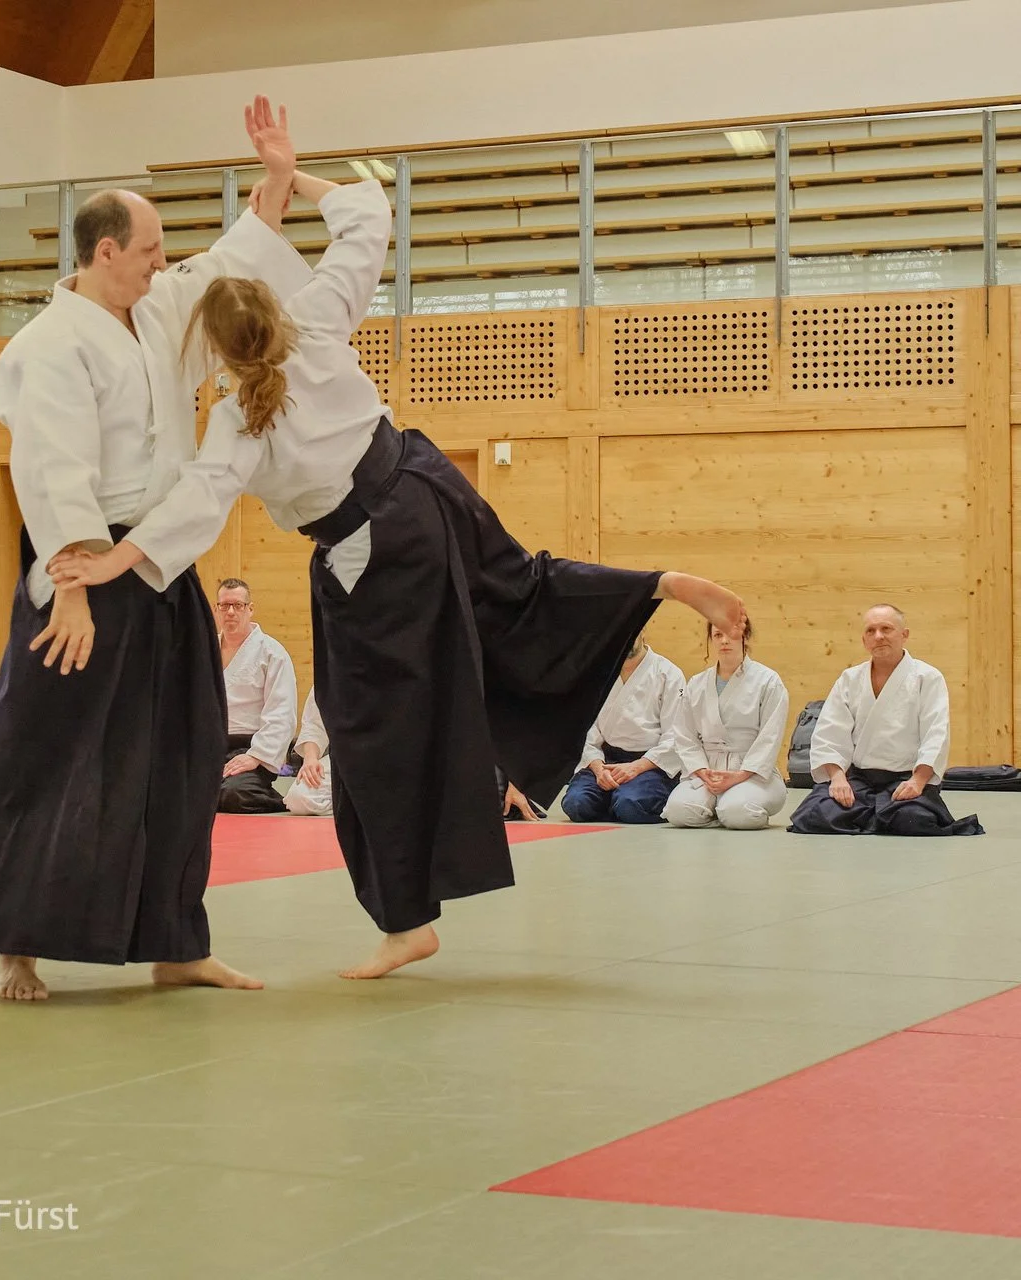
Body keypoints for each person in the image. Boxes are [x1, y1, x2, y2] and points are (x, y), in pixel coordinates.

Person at [49, 159, 746, 980]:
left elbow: (197, 507)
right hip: (429, 482)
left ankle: (407, 918)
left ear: (218, 358)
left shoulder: (240, 418)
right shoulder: (315, 319)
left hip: (370, 558)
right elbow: (366, 222)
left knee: (370, 731)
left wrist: (119, 557)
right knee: (522, 589)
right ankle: (651, 585)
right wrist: (291, 176)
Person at [0, 97, 315, 1001]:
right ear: (105, 251)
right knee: (49, 747)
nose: (166, 258)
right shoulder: (50, 347)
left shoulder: (160, 308)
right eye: (152, 246)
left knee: (185, 745)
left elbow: (233, 262)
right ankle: (19, 944)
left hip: (159, 563)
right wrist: (73, 591)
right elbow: (50, 474)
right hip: (82, 563)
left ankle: (176, 940)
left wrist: (277, 178)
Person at [788, 604, 983, 836]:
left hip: (906, 778)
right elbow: (830, 731)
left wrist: (918, 781)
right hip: (858, 779)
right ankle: (878, 813)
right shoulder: (850, 679)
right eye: (871, 631)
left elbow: (936, 734)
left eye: (886, 629)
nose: (878, 636)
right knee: (815, 815)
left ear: (904, 635)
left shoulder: (927, 678)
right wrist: (837, 778)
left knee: (913, 819)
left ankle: (875, 813)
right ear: (864, 640)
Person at [663, 619, 789, 831]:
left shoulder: (768, 681)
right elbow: (685, 735)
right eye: (717, 635)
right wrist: (702, 771)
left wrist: (740, 775)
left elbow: (770, 736)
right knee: (677, 811)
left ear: (744, 636)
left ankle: (726, 807)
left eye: (731, 634)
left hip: (753, 773)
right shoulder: (697, 683)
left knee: (738, 812)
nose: (724, 641)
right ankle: (717, 810)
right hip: (709, 771)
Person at [560, 631, 683, 824]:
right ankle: (616, 798)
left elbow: (676, 736)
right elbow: (585, 729)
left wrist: (635, 768)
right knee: (576, 805)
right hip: (606, 761)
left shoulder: (668, 674)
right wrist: (598, 768)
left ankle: (622, 799)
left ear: (644, 632)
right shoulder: (598, 673)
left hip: (649, 763)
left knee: (630, 806)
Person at [215, 577, 298, 813]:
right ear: (216, 609)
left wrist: (256, 756)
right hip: (211, 747)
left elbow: (282, 713)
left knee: (233, 794)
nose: (230, 611)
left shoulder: (272, 653)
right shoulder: (204, 652)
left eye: (238, 605)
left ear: (250, 609)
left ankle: (277, 798)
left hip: (251, 748)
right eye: (224, 605)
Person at [285, 686, 332, 816]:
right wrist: (310, 758)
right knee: (299, 798)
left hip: (389, 755)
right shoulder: (331, 670)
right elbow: (315, 725)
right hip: (346, 757)